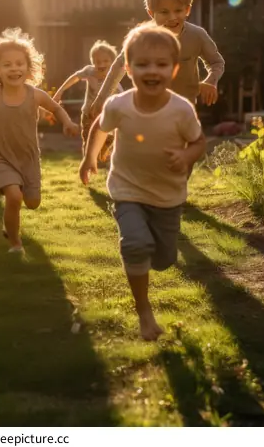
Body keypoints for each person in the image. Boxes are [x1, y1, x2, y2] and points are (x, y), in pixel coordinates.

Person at [80, 23, 206, 341]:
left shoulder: (181, 110)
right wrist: (90, 157)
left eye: (161, 64)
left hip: (168, 196)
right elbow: (100, 127)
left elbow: (199, 143)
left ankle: (154, 253)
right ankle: (144, 313)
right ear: (128, 68)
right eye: (143, 64)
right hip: (127, 189)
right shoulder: (118, 105)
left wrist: (186, 157)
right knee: (136, 245)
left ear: (174, 69)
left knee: (163, 259)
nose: (152, 71)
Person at [0, 28, 79, 253]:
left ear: (28, 68)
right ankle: (15, 243)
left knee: (32, 203)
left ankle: (9, 224)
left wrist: (68, 123)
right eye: (7, 64)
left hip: (27, 157)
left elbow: (55, 108)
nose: (14, 68)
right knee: (14, 196)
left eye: (19, 63)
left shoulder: (35, 95)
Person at [90, 0, 224, 117]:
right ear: (151, 13)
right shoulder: (141, 39)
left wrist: (211, 80)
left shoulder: (197, 35)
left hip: (184, 111)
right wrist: (101, 98)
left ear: (187, 10)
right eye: (164, 12)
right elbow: (119, 66)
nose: (172, 17)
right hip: (148, 109)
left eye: (178, 10)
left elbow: (216, 62)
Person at [52, 40, 123, 160]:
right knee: (88, 139)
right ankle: (88, 162)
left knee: (108, 138)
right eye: (97, 62)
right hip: (88, 114)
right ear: (93, 62)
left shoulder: (114, 81)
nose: (101, 65)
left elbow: (122, 98)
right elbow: (74, 78)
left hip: (105, 116)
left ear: (112, 63)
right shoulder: (90, 71)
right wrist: (60, 92)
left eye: (105, 61)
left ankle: (104, 150)